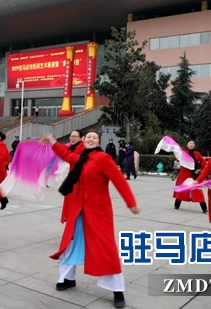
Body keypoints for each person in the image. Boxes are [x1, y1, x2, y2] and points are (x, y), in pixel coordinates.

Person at [40, 130, 140, 309]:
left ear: (98, 141)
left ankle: (118, 291)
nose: (91, 139)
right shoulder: (79, 158)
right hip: (78, 211)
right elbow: (65, 153)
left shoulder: (103, 159)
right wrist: (51, 140)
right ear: (83, 141)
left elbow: (119, 181)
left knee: (106, 249)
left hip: (98, 212)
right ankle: (68, 279)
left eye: (94, 137)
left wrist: (131, 202)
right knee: (70, 245)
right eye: (88, 138)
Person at [173, 140, 207, 213]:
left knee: (198, 191)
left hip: (193, 176)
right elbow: (177, 158)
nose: (191, 144)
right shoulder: (184, 153)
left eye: (193, 143)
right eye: (190, 143)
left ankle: (204, 208)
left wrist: (199, 170)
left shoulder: (197, 154)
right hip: (184, 174)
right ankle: (176, 205)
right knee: (182, 190)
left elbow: (203, 162)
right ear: (187, 145)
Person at [60, 130, 86, 224]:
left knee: (75, 206)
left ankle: (75, 229)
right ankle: (72, 227)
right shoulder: (72, 147)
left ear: (80, 138)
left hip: (79, 181)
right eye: (71, 136)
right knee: (71, 205)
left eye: (75, 136)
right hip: (72, 180)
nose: (73, 138)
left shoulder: (82, 147)